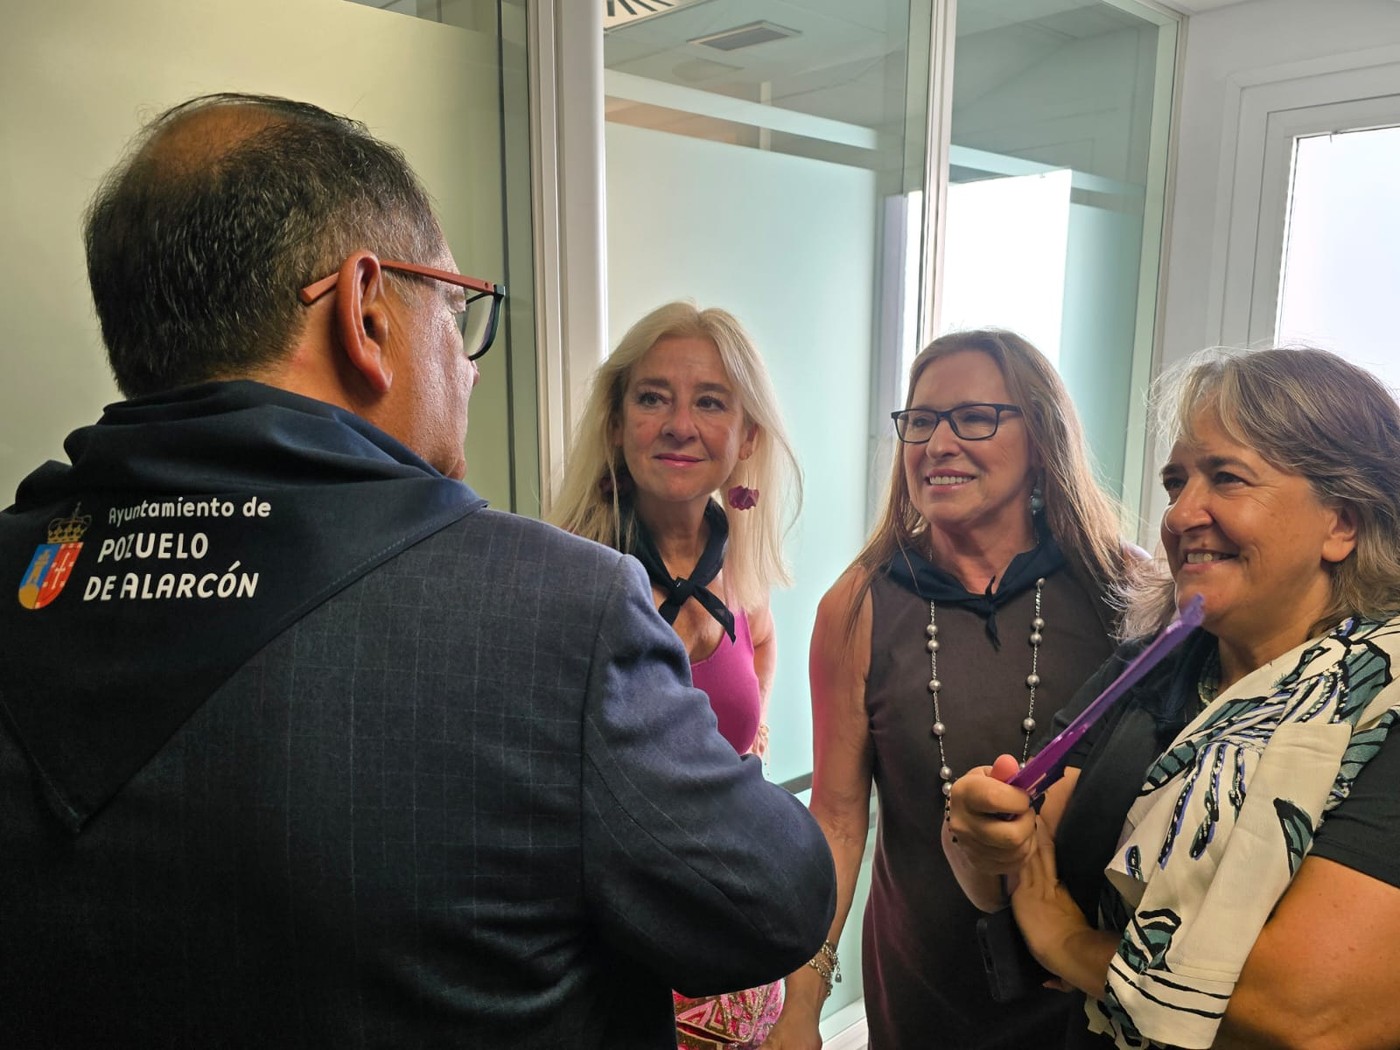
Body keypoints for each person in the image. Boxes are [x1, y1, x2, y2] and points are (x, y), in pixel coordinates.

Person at [0, 92, 836, 1049]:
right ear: (365, 312)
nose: (470, 366)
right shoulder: (556, 613)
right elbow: (777, 899)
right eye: (453, 307)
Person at [947, 346, 1400, 1049]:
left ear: (1341, 522)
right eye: (1175, 482)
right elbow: (1016, 872)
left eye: (1227, 478)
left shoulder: (1383, 706)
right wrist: (980, 835)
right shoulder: (1151, 669)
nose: (1181, 513)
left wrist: (1069, 943)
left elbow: (1306, 1011)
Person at [763, 330, 1141, 1050]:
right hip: (923, 994)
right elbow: (838, 819)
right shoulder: (856, 607)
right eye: (922, 421)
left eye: (974, 418)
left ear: (1042, 438)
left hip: (1087, 991)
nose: (938, 444)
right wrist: (801, 1004)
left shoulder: (1124, 588)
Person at [551, 301, 802, 1049]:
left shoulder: (742, 565)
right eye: (653, 398)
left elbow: (761, 646)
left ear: (747, 435)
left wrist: (747, 740)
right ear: (616, 422)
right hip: (615, 962)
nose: (679, 425)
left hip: (732, 957)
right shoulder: (566, 570)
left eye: (711, 402)